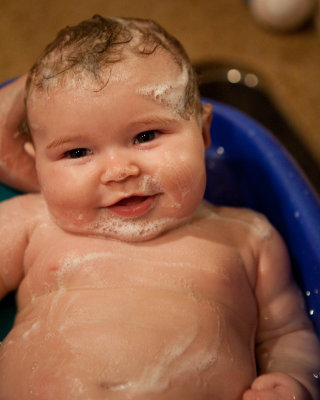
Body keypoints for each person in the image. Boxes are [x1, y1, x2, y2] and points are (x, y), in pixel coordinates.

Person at [0, 15, 319, 400]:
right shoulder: (34, 221)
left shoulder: (248, 236)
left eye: (145, 135)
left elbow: (288, 334)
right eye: (77, 151)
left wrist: (295, 380)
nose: (118, 171)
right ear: (37, 163)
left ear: (203, 133)